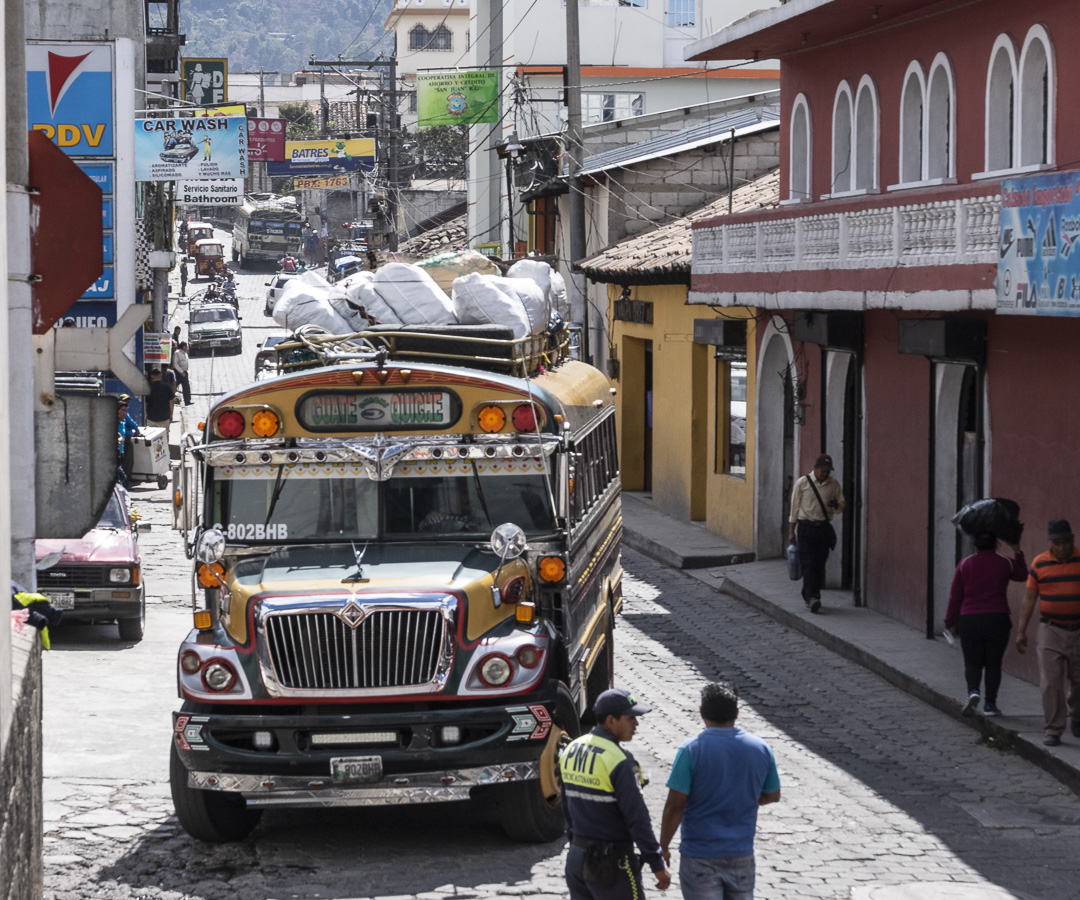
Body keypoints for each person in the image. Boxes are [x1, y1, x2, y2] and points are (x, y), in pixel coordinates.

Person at [659, 682, 780, 900]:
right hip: (741, 854)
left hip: (699, 855)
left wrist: (664, 846)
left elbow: (675, 805)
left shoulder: (691, 750)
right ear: (736, 712)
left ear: (702, 712)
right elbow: (773, 794)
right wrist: (742, 798)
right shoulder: (761, 748)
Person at [561, 688, 671, 900]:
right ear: (611, 721)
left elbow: (565, 807)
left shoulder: (571, 750)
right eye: (631, 718)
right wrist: (656, 863)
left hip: (577, 858)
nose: (636, 724)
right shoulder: (620, 761)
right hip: (612, 865)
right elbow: (637, 818)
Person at [944, 532, 1026, 717]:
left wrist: (949, 621)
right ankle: (990, 704)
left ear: (975, 544)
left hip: (970, 619)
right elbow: (1022, 575)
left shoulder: (965, 564)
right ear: (996, 543)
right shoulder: (1005, 562)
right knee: (993, 663)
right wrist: (1018, 552)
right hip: (998, 618)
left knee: (972, 662)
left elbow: (955, 596)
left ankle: (973, 691)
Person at [1015, 519, 1080, 746]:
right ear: (1050, 543)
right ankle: (1053, 729)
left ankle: (1077, 715)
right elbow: (1029, 598)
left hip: (1078, 629)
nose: (1062, 548)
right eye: (1057, 543)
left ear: (1072, 540)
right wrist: (1021, 631)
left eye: (1066, 542)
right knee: (1051, 682)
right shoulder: (1039, 564)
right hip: (1050, 629)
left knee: (1078, 681)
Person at [788, 453, 845, 613]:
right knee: (809, 562)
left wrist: (835, 505)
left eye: (828, 471)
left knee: (820, 563)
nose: (825, 473)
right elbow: (794, 509)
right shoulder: (802, 483)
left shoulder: (833, 485)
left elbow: (841, 506)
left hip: (823, 529)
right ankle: (813, 597)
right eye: (823, 470)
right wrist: (791, 531)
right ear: (815, 468)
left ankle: (808, 593)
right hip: (806, 528)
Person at [144, 367, 175, 446]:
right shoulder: (166, 387)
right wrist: (171, 414)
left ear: (151, 376)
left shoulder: (148, 388)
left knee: (151, 439)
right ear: (160, 375)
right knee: (164, 439)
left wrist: (146, 414)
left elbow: (145, 403)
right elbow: (171, 401)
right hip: (164, 418)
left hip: (151, 418)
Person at [116, 395, 141, 486]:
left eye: (128, 401)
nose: (124, 412)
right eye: (125, 400)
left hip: (121, 450)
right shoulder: (117, 421)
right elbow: (132, 423)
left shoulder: (122, 421)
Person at [173, 341, 192, 406]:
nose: (187, 347)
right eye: (186, 346)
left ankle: (187, 401)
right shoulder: (177, 353)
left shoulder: (185, 354)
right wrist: (181, 371)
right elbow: (175, 364)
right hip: (178, 373)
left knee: (186, 387)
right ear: (183, 347)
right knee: (174, 386)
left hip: (185, 372)